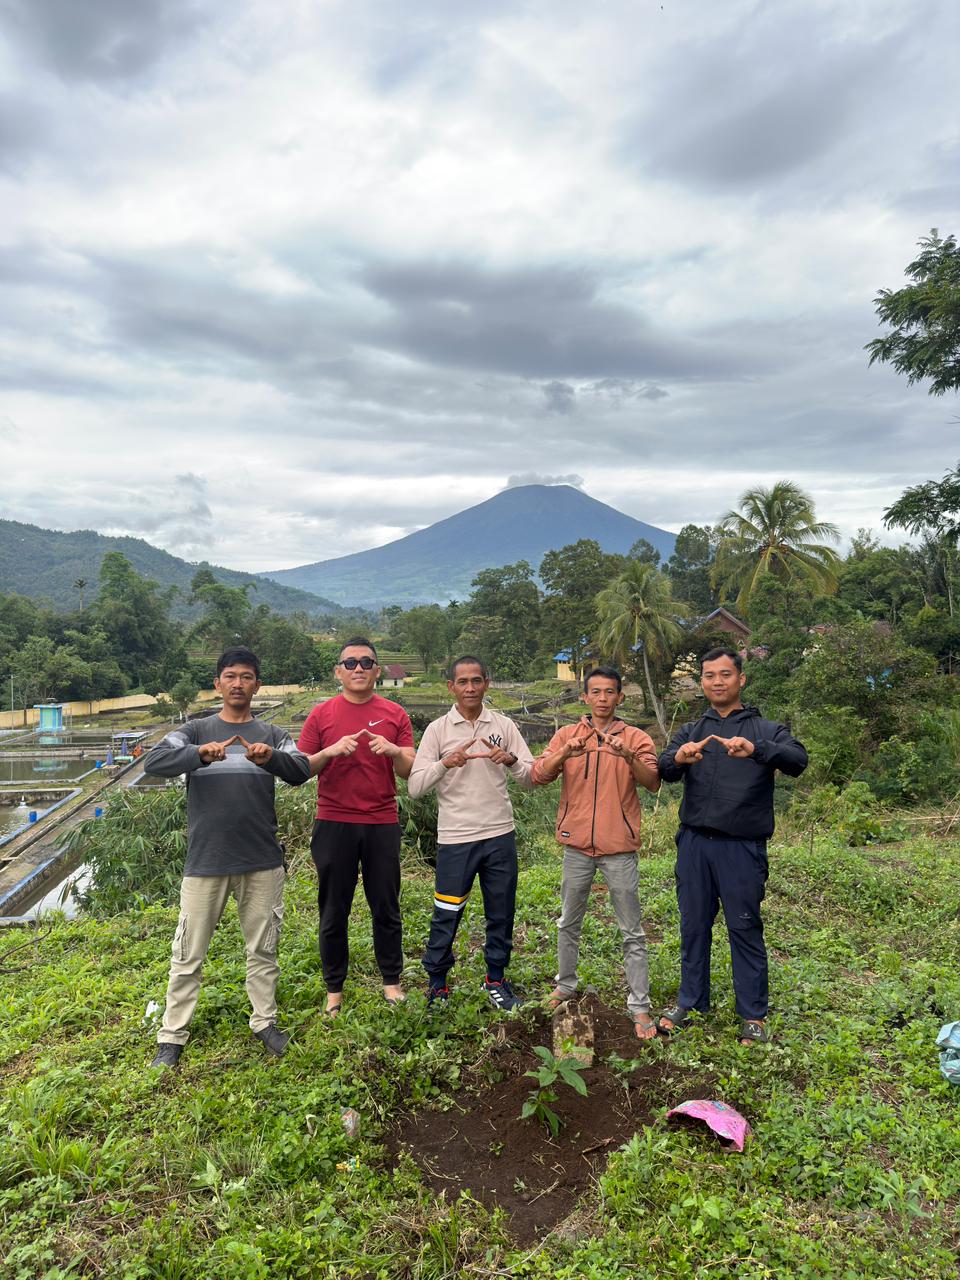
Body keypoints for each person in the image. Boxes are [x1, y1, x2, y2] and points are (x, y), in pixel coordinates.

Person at [148, 647, 311, 1069]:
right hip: (206, 860)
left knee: (263, 948)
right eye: (230, 676)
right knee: (188, 953)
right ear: (218, 683)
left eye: (246, 677)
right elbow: (155, 761)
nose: (238, 684)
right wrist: (199, 755)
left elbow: (300, 769)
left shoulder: (272, 735)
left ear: (257, 684)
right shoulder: (196, 729)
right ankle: (172, 1035)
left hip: (262, 860)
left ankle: (264, 1022)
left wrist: (269, 758)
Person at [657, 647, 808, 1045]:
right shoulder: (692, 731)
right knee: (693, 926)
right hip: (694, 845)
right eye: (709, 675)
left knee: (743, 927)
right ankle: (691, 1000)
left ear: (741, 679)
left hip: (741, 848)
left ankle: (753, 1014)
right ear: (702, 682)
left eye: (725, 674)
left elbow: (797, 761)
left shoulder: (766, 730)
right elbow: (663, 768)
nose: (717, 681)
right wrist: (681, 758)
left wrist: (757, 751)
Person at [532, 666, 660, 1039]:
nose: (603, 698)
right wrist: (565, 753)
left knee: (631, 930)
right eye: (596, 692)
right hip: (576, 846)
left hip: (619, 848)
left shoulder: (636, 737)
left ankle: (639, 1006)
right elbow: (540, 774)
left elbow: (653, 782)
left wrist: (627, 756)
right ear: (585, 697)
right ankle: (565, 984)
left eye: (610, 692)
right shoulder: (567, 734)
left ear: (620, 697)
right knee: (568, 921)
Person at [408, 656, 535, 1011]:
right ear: (451, 686)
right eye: (462, 682)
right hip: (456, 838)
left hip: (499, 834)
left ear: (486, 684)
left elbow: (530, 776)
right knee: (446, 912)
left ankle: (496, 979)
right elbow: (415, 787)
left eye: (476, 681)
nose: (469, 688)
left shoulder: (504, 725)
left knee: (501, 911)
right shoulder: (438, 730)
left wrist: (509, 759)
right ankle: (437, 985)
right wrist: (444, 763)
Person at [297, 638, 415, 1016]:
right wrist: (330, 752)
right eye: (350, 663)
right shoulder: (321, 715)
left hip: (381, 821)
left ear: (378, 670)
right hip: (334, 821)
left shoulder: (396, 713)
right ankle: (334, 988)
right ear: (338, 672)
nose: (358, 668)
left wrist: (394, 751)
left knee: (386, 905)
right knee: (334, 907)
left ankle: (391, 980)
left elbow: (411, 770)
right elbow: (302, 769)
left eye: (366, 662)